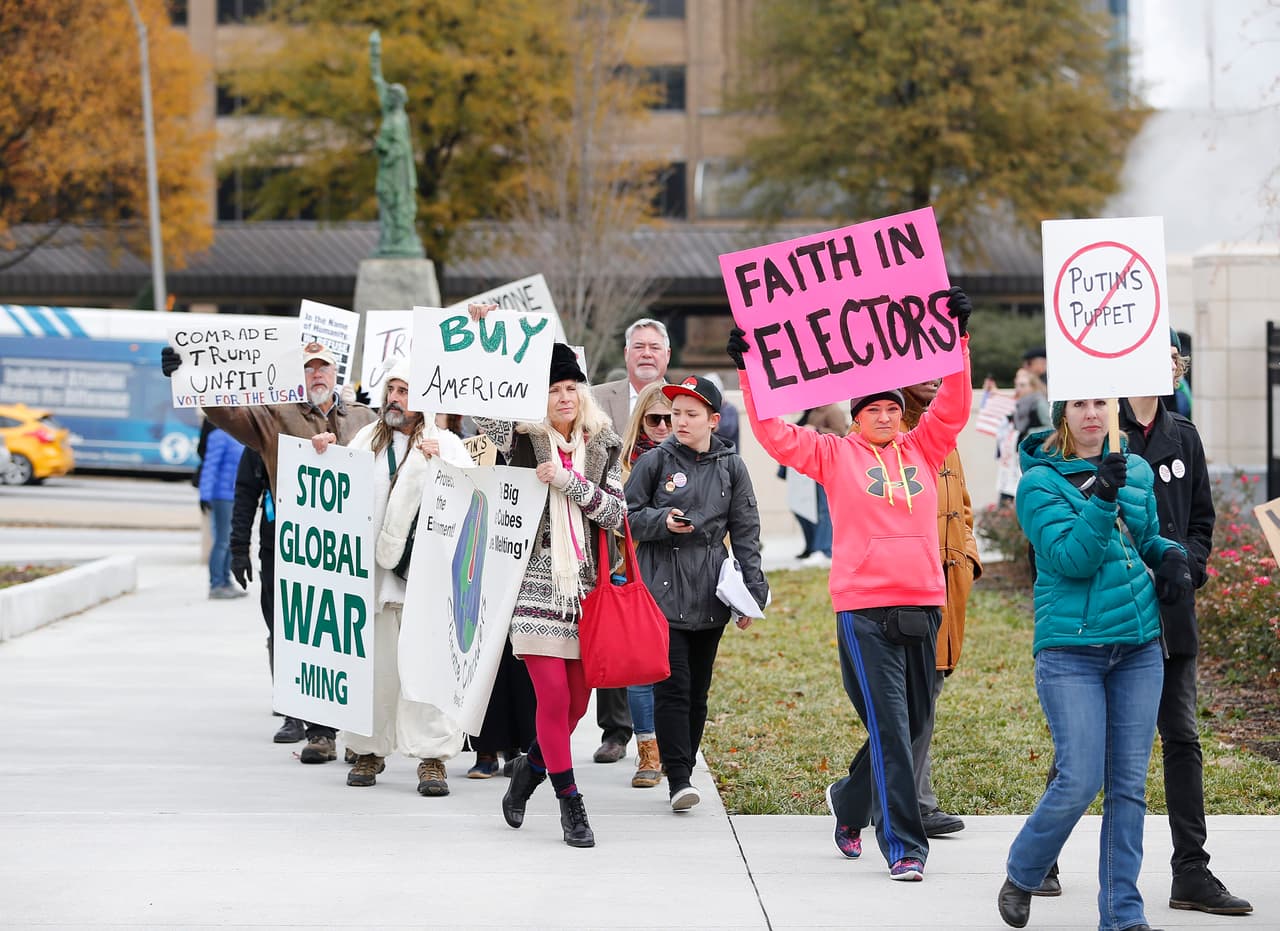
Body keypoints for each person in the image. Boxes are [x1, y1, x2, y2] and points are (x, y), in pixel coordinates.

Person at [727, 286, 973, 882]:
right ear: (856, 416)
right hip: (864, 611)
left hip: (922, 605)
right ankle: (906, 847)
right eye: (873, 410)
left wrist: (958, 339)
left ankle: (850, 800)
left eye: (892, 408)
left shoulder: (922, 446)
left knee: (913, 725)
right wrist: (750, 370)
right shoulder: (835, 454)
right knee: (891, 726)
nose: (886, 417)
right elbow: (774, 435)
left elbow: (954, 407)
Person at [997, 398, 1192, 931]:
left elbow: (1148, 538)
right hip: (1071, 651)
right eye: (1079, 404)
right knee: (1080, 778)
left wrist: (1172, 558)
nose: (1091, 414)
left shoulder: (1136, 468)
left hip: (1138, 646)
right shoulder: (1038, 484)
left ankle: (1123, 916)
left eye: (1100, 403)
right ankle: (1025, 868)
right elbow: (1071, 559)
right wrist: (1101, 495)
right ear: (1063, 414)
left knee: (1128, 787)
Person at [161, 340, 377, 764]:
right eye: (308, 368)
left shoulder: (363, 419)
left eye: (323, 368)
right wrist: (189, 380)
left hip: (352, 547)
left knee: (352, 636)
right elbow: (231, 416)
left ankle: (358, 733)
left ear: (335, 373)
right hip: (298, 546)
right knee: (306, 631)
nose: (316, 374)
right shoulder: (274, 417)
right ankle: (317, 731)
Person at [469, 315, 626, 848]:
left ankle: (526, 776)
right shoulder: (520, 440)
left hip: (586, 592)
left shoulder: (605, 444)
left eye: (570, 387)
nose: (563, 397)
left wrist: (568, 482)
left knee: (577, 706)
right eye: (554, 389)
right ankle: (571, 806)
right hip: (533, 587)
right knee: (553, 700)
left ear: (582, 392)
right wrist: (490, 346)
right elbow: (483, 423)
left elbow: (614, 515)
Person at [1115, 337, 1248, 916]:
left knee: (1183, 738)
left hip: (1172, 615)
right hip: (1112, 615)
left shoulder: (1184, 437)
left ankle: (1191, 870)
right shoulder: (1096, 427)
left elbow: (1201, 522)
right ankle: (1043, 861)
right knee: (1094, 741)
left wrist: (1186, 570)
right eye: (1156, 352)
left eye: (1174, 356)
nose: (1168, 363)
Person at [310, 358, 471, 796]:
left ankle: (431, 758)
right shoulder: (366, 440)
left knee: (425, 673)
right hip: (370, 582)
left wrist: (448, 470)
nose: (396, 398)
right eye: (393, 390)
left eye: (405, 390)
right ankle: (367, 749)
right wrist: (323, 453)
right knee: (374, 671)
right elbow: (337, 489)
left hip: (425, 583)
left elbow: (469, 503)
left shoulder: (450, 445)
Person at [627, 375, 769, 811]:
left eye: (690, 414)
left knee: (699, 690)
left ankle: (681, 762)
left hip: (711, 592)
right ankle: (680, 779)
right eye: (675, 414)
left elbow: (746, 531)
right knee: (674, 685)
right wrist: (660, 522)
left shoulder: (732, 466)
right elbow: (624, 516)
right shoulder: (655, 462)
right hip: (661, 590)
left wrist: (753, 593)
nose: (680, 422)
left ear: (713, 418)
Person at [899, 378, 982, 839]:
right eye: (924, 367)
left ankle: (880, 795)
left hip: (948, 584)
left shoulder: (942, 429)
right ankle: (910, 801)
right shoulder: (889, 427)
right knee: (910, 698)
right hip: (908, 587)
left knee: (924, 694)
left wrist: (967, 559)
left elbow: (962, 509)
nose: (934, 377)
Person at [590, 317, 672, 764]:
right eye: (638, 345)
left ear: (666, 355)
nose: (645, 352)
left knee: (654, 638)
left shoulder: (683, 401)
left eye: (654, 346)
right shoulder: (598, 398)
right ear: (626, 353)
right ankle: (616, 731)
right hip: (613, 533)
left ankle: (659, 732)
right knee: (615, 626)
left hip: (666, 546)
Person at [618, 382, 675, 789]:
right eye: (654, 419)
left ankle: (677, 750)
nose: (662, 427)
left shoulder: (698, 459)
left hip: (683, 577)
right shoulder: (620, 463)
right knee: (640, 669)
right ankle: (648, 752)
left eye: (671, 419)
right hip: (634, 574)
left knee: (678, 670)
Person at [228, 447, 304, 744]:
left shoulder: (350, 421)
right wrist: (238, 549)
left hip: (329, 550)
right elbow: (246, 492)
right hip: (278, 548)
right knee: (281, 626)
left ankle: (329, 719)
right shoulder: (266, 430)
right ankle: (293, 712)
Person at [368, 30, 425, 258]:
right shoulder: (389, 113)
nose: (389, 97)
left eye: (393, 95)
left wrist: (383, 147)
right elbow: (377, 79)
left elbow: (400, 147)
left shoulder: (401, 120)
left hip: (398, 168)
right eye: (389, 95)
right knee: (385, 198)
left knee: (398, 200)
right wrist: (375, 54)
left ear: (399, 99)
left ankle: (400, 237)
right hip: (389, 167)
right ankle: (389, 238)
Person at [199, 426, 246, 600]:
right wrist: (205, 495)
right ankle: (216, 584)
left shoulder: (239, 435)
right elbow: (210, 466)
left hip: (236, 495)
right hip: (222, 496)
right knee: (222, 541)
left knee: (231, 541)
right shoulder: (219, 436)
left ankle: (226, 581)